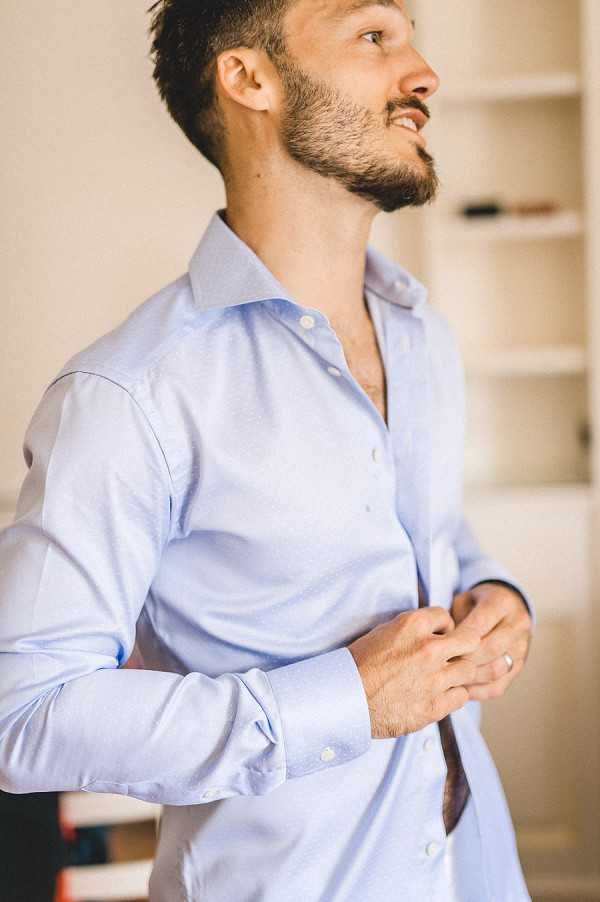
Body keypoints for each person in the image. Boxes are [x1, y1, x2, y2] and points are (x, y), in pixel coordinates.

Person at [0, 1, 536, 899]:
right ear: (250, 78)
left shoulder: (420, 334)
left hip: (473, 867)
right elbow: (24, 714)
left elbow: (430, 539)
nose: (424, 73)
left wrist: (497, 596)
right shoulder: (130, 397)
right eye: (374, 36)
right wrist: (344, 705)